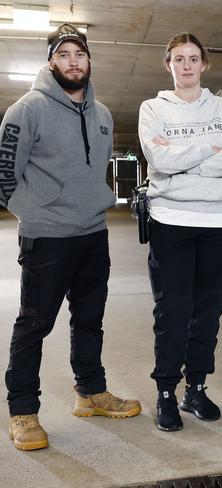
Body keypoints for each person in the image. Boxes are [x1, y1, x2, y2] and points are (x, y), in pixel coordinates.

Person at [0, 24, 141, 451]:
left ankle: (90, 393)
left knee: (90, 319)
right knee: (35, 324)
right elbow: (6, 175)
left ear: (89, 61)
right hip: (48, 237)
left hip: (93, 234)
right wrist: (40, 214)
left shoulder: (102, 114)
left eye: (80, 54)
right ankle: (23, 411)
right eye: (64, 55)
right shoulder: (27, 109)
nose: (73, 62)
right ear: (51, 62)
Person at [138, 32, 222, 432]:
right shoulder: (153, 108)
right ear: (168, 64)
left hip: (218, 223)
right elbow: (159, 160)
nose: (186, 65)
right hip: (171, 220)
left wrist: (182, 162)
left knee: (207, 314)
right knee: (173, 311)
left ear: (204, 64)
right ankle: (166, 390)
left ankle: (195, 388)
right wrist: (209, 150)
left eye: (193, 58)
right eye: (178, 59)